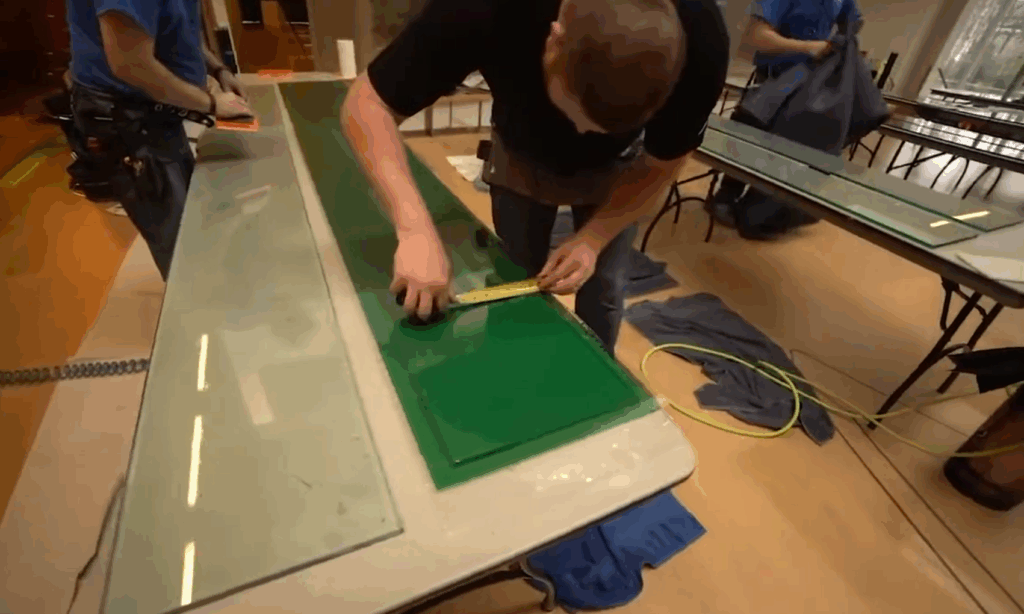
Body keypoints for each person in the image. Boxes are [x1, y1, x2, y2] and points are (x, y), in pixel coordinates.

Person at [342, 0, 729, 354]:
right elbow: (368, 104)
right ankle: (511, 359)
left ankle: (598, 377)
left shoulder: (701, 37)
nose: (580, 137)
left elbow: (663, 164)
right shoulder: (485, 9)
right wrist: (415, 231)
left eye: (601, 128)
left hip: (620, 169)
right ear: (553, 39)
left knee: (605, 286)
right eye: (577, 114)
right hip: (519, 151)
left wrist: (593, 239)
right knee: (514, 269)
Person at [66, 0, 254, 280]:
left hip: (157, 111)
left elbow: (177, 26)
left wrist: (218, 69)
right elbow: (130, 64)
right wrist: (212, 103)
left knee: (191, 219)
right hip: (127, 120)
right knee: (179, 243)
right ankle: (196, 313)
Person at [710, 0, 863, 239]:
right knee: (750, 136)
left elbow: (854, 19)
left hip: (809, 84)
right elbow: (756, 36)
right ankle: (726, 195)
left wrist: (842, 42)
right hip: (773, 79)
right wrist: (809, 47)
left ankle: (762, 210)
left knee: (788, 151)